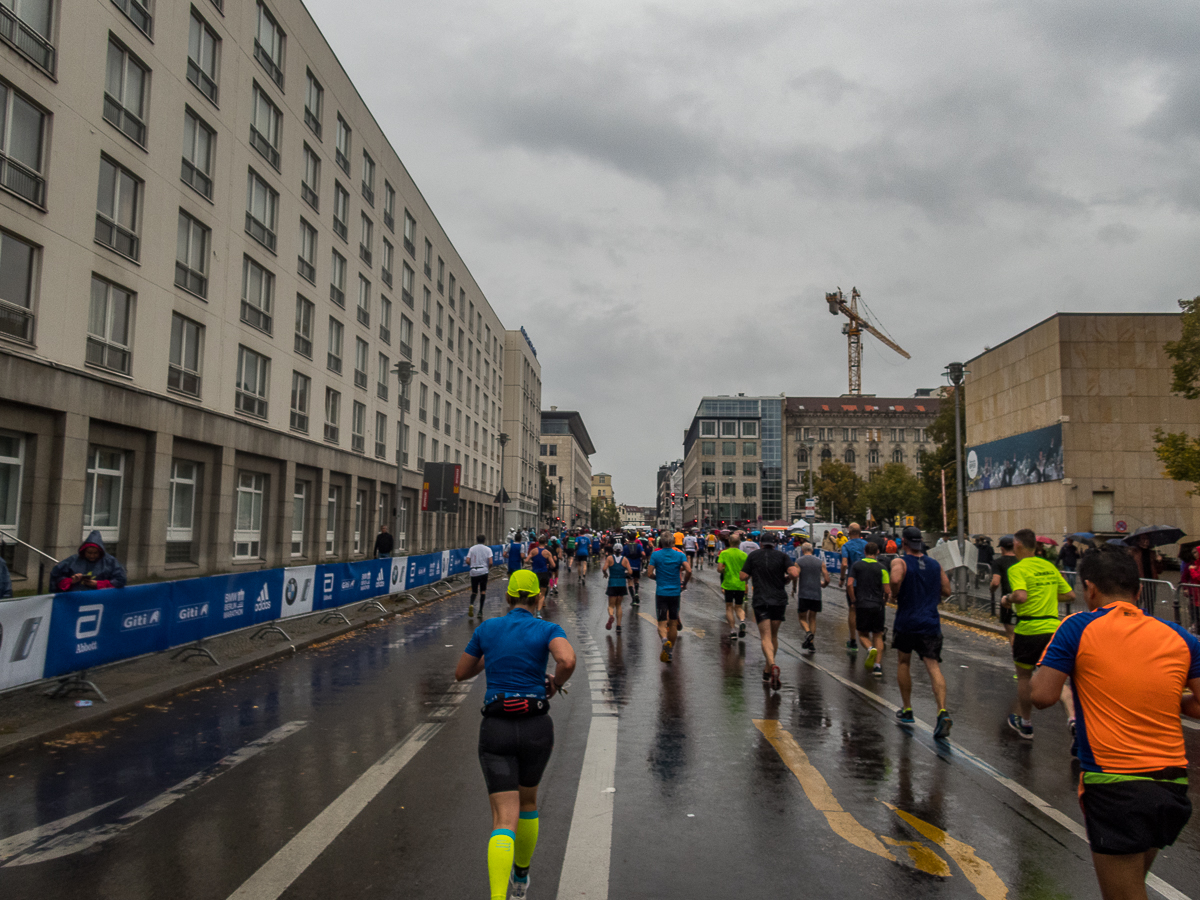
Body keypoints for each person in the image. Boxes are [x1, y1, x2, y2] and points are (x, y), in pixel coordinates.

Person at [1031, 546, 1200, 900]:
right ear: (1139, 591)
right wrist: (1162, 698)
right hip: (1171, 785)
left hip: (1115, 785)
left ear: (1089, 589)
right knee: (1133, 884)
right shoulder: (1181, 637)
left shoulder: (1077, 627)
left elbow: (1043, 696)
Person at [455, 569, 577, 900]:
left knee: (503, 820)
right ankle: (521, 880)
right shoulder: (547, 628)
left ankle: (498, 897)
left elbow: (461, 673)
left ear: (508, 597)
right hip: (536, 727)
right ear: (539, 597)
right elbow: (566, 659)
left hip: (496, 728)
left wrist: (489, 658)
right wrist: (556, 683)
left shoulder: (488, 628)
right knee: (527, 802)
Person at [1001, 528, 1075, 740]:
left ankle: (1026, 723)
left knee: (1024, 677)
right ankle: (1073, 719)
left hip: (1029, 629)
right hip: (1053, 630)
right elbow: (1070, 594)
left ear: (1017, 545)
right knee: (1058, 679)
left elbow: (1021, 596)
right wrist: (1048, 596)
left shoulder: (1018, 569)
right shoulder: (1049, 567)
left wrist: (1007, 599)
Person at [890, 525, 952, 740]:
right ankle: (942, 710)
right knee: (933, 665)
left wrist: (895, 594)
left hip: (907, 621)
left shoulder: (900, 562)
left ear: (904, 542)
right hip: (930, 623)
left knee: (903, 662)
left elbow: (896, 579)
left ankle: (907, 709)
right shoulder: (935, 564)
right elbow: (947, 590)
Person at [741, 534, 799, 690]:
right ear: (776, 544)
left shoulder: (753, 556)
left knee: (765, 637)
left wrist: (753, 573)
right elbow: (794, 573)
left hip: (761, 600)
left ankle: (772, 665)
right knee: (774, 636)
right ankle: (767, 671)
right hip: (779, 600)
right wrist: (787, 579)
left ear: (760, 543)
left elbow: (743, 576)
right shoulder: (783, 556)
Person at [848, 542, 891, 677]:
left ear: (864, 552)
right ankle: (877, 666)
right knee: (878, 634)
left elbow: (849, 584)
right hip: (877, 605)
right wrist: (884, 600)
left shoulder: (857, 566)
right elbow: (887, 590)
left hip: (862, 604)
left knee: (862, 634)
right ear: (877, 552)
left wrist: (853, 599)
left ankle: (869, 648)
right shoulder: (882, 568)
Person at [648, 534, 690, 663]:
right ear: (672, 543)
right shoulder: (680, 555)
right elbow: (689, 570)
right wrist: (684, 583)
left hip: (661, 592)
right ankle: (670, 652)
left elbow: (649, 573)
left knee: (661, 623)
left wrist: (657, 579)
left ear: (661, 542)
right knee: (673, 622)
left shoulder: (655, 555)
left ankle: (664, 641)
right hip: (675, 593)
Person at [50, 531, 127, 592]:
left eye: (95, 553)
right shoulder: (72, 560)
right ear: (84, 551)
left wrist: (98, 584)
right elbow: (56, 576)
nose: (92, 556)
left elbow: (120, 580)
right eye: (89, 553)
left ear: (100, 552)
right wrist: (70, 581)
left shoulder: (110, 561)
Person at [839, 523, 868, 654]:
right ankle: (869, 639)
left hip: (853, 582)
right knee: (868, 609)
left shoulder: (846, 546)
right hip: (868, 582)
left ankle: (853, 640)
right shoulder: (866, 544)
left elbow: (844, 563)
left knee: (852, 610)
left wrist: (842, 578)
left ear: (849, 533)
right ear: (860, 532)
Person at [794, 542, 829, 652]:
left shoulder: (799, 561)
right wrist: (823, 584)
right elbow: (827, 579)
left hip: (804, 593)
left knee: (802, 618)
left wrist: (794, 587)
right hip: (816, 594)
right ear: (812, 550)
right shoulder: (820, 562)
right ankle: (811, 644)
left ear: (803, 551)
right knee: (813, 618)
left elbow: (796, 575)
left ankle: (808, 633)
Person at [717, 536, 749, 642]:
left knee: (729, 607)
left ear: (729, 541)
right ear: (739, 542)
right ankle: (742, 621)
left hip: (728, 584)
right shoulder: (743, 555)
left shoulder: (724, 553)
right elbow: (747, 571)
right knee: (739, 607)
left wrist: (725, 570)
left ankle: (732, 631)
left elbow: (719, 569)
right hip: (740, 584)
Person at [990, 535, 1020, 638]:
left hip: (1007, 600)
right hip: (1023, 598)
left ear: (1002, 549)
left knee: (1011, 634)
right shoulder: (1021, 560)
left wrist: (992, 589)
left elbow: (995, 582)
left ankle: (1016, 653)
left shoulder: (998, 562)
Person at [602, 543, 633, 633]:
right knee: (619, 605)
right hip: (622, 584)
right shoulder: (625, 559)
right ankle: (618, 626)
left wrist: (605, 574)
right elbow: (630, 571)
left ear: (614, 550)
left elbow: (604, 568)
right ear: (622, 550)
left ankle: (611, 615)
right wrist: (625, 573)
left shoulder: (610, 558)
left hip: (612, 583)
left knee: (611, 605)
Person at [525, 539, 554, 617]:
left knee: (534, 592)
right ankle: (538, 612)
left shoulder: (533, 551)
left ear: (538, 542)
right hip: (544, 573)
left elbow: (526, 560)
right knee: (542, 593)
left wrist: (531, 562)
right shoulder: (547, 553)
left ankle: (531, 610)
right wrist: (548, 565)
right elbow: (553, 565)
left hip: (535, 574)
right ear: (545, 543)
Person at [468, 534, 493, 618]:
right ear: (484, 540)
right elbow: (491, 562)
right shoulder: (488, 549)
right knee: (483, 591)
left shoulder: (472, 548)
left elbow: (467, 560)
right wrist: (487, 568)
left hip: (474, 571)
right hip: (483, 571)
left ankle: (471, 604)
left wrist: (471, 565)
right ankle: (480, 611)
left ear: (477, 540)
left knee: (474, 591)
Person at [624, 536, 645, 605]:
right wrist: (642, 559)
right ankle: (636, 592)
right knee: (636, 580)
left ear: (629, 539)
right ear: (635, 539)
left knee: (630, 582)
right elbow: (643, 554)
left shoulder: (626, 546)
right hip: (637, 566)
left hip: (629, 566)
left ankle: (633, 599)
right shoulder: (638, 546)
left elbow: (622, 556)